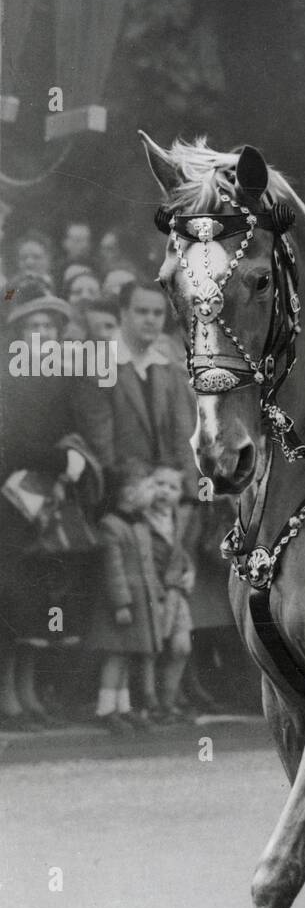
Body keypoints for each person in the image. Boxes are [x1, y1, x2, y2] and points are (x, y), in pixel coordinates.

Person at [0, 295, 100, 729]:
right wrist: (61, 462)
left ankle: (34, 693)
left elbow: (76, 430)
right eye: (33, 327)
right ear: (20, 335)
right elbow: (10, 446)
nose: (42, 335)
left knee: (44, 604)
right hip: (11, 504)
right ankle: (11, 698)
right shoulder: (8, 381)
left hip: (51, 502)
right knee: (14, 604)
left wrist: (72, 458)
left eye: (50, 328)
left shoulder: (63, 381)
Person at [74, 281, 197, 492]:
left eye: (158, 313)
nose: (151, 319)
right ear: (123, 313)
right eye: (142, 311)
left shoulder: (170, 370)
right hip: (123, 494)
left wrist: (192, 494)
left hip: (173, 492)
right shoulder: (97, 369)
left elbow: (184, 438)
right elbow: (103, 450)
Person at [87, 461, 162, 734]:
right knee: (116, 656)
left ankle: (123, 707)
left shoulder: (140, 524)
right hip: (124, 605)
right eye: (149, 487)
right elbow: (114, 570)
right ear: (129, 493)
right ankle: (105, 709)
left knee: (128, 655)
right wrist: (121, 604)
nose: (154, 493)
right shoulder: (112, 526)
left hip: (141, 602)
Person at [144, 464, 195, 723]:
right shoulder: (141, 518)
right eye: (158, 484)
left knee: (181, 647)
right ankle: (151, 704)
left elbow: (179, 549)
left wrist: (189, 570)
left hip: (176, 590)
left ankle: (168, 701)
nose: (164, 491)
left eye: (172, 487)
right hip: (152, 593)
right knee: (150, 649)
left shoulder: (177, 517)